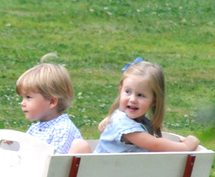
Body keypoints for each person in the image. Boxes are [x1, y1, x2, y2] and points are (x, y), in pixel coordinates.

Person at [69, 57, 200, 154]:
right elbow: (156, 144)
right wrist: (187, 147)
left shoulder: (121, 118)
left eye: (140, 95)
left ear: (154, 100)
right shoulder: (127, 128)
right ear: (120, 89)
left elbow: (102, 128)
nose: (132, 99)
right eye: (128, 92)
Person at [15, 53, 83, 154]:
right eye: (23, 98)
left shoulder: (62, 129)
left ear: (51, 102)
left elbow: (55, 162)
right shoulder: (35, 129)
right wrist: (14, 145)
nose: (22, 103)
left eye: (28, 97)